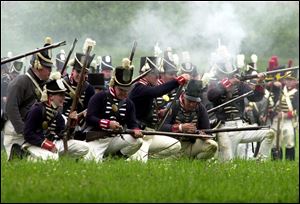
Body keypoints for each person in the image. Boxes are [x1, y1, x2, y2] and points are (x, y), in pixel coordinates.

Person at [207, 61, 275, 162]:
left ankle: (260, 162)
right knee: (227, 164)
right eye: (229, 75)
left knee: (269, 133)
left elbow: (255, 97)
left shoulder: (240, 85)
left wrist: (259, 83)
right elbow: (211, 96)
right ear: (220, 74)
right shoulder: (214, 84)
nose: (232, 76)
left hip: (241, 125)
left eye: (232, 74)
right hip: (224, 128)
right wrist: (227, 84)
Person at [128, 56, 190, 162]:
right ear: (145, 74)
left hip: (149, 132)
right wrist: (177, 81)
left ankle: (151, 159)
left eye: (158, 74)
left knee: (175, 145)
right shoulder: (139, 87)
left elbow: (146, 109)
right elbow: (156, 92)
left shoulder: (147, 87)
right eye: (154, 74)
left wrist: (159, 113)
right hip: (138, 134)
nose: (158, 77)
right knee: (139, 162)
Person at [3, 37, 54, 159]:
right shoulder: (20, 82)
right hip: (16, 133)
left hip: (29, 132)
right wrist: (23, 130)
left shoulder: (43, 83)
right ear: (38, 66)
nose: (50, 71)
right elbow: (11, 108)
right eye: (47, 68)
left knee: (49, 157)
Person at [85, 58, 143, 162]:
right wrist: (107, 124)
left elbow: (132, 123)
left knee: (137, 142)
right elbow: (89, 118)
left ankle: (114, 159)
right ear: (113, 85)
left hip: (116, 138)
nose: (124, 93)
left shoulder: (129, 103)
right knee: (91, 162)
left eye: (127, 90)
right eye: (121, 89)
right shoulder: (99, 97)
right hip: (97, 138)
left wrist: (136, 129)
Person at [23, 78, 90, 161]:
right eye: (61, 95)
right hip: (35, 144)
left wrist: (72, 123)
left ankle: (59, 158)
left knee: (84, 147)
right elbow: (28, 133)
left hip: (53, 142)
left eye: (64, 95)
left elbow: (63, 135)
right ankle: (27, 157)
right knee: (52, 158)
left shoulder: (56, 113)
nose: (64, 98)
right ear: (51, 96)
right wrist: (46, 144)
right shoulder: (37, 110)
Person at [160, 79, 218, 160]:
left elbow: (207, 131)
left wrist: (199, 133)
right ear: (183, 96)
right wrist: (180, 127)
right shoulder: (173, 106)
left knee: (212, 145)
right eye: (189, 101)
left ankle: (195, 162)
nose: (192, 104)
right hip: (172, 146)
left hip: (190, 145)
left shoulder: (200, 108)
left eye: (195, 102)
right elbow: (162, 127)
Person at [62, 52, 95, 129]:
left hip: (79, 126)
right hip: (61, 123)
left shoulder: (89, 89)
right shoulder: (62, 83)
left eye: (83, 73)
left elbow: (89, 110)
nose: (80, 75)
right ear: (73, 70)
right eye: (78, 71)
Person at [271, 70, 299, 160]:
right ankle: (276, 161)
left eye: (291, 80)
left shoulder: (297, 93)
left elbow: (297, 110)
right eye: (287, 80)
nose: (289, 82)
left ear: (295, 81)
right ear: (284, 81)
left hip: (288, 120)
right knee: (275, 142)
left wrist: (286, 115)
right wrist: (274, 82)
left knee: (289, 140)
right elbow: (271, 104)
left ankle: (289, 161)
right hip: (277, 120)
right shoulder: (279, 90)